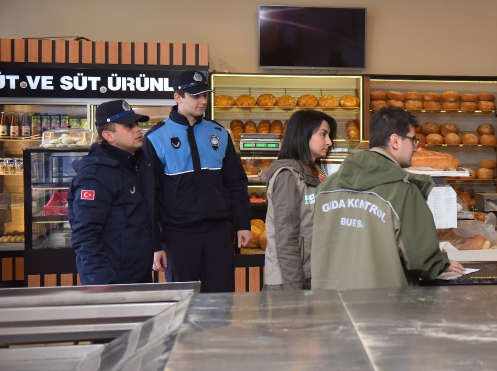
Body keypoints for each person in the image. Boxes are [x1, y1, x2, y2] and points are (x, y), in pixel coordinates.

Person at [311, 106, 465, 290]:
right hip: (382, 305)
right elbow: (419, 257)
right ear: (395, 141)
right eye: (413, 140)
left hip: (330, 302)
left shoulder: (325, 188)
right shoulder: (403, 190)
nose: (415, 148)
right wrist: (439, 263)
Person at [144, 70, 252, 293]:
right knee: (181, 303)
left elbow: (236, 182)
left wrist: (243, 224)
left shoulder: (219, 133)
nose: (202, 100)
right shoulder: (156, 137)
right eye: (195, 95)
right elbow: (149, 196)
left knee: (221, 302)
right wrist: (155, 245)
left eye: (205, 94)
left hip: (219, 234)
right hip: (177, 236)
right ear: (178, 97)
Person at [68, 99, 152, 285]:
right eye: (129, 126)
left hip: (137, 276)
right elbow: (85, 236)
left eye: (137, 124)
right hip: (112, 282)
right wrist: (103, 284)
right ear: (108, 135)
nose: (138, 129)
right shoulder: (94, 177)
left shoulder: (132, 165)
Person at [263, 110, 336, 291]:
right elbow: (286, 237)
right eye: (323, 134)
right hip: (288, 283)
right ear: (303, 134)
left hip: (308, 276)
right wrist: (295, 289)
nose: (329, 142)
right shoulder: (288, 176)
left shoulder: (312, 172)